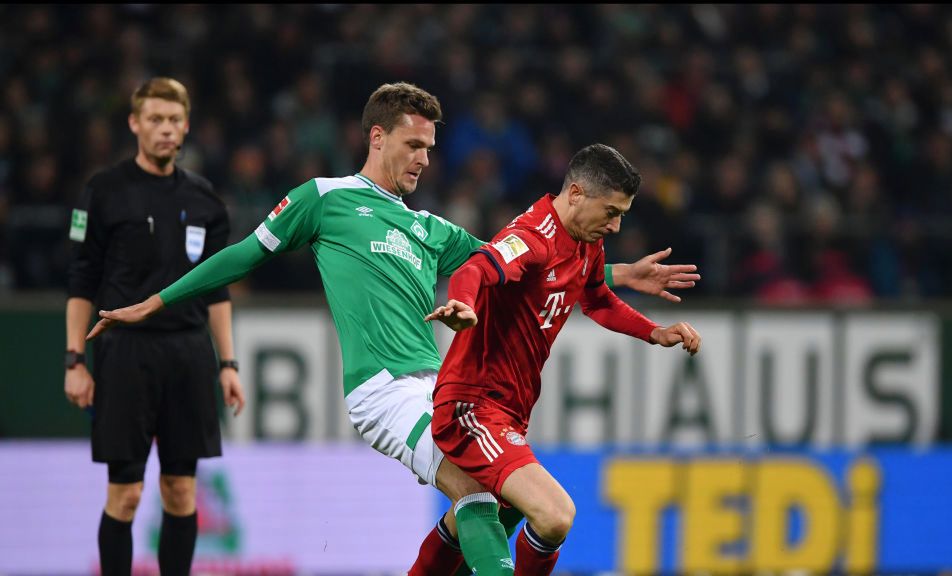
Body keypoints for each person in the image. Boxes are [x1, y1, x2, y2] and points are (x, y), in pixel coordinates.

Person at [86, 82, 699, 574]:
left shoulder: (430, 229)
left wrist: (616, 273)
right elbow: (243, 255)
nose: (424, 159)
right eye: (413, 145)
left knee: (493, 506)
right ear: (377, 138)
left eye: (430, 148)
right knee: (481, 494)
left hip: (438, 385)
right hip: (382, 387)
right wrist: (155, 303)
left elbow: (523, 260)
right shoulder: (324, 200)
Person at [426, 143, 701, 575]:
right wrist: (463, 304)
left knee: (490, 515)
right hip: (471, 404)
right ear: (575, 194)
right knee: (554, 515)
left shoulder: (584, 242)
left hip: (510, 410)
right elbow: (473, 269)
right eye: (611, 211)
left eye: (622, 213)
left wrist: (655, 332)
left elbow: (597, 300)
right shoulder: (533, 238)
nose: (615, 225)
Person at [64, 77, 246, 576]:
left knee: (181, 491)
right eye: (155, 120)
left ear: (185, 126)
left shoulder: (206, 200)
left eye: (173, 120)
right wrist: (75, 360)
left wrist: (228, 363)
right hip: (124, 353)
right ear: (135, 124)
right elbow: (81, 282)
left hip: (187, 355)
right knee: (124, 495)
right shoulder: (102, 192)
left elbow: (218, 289)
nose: (165, 129)